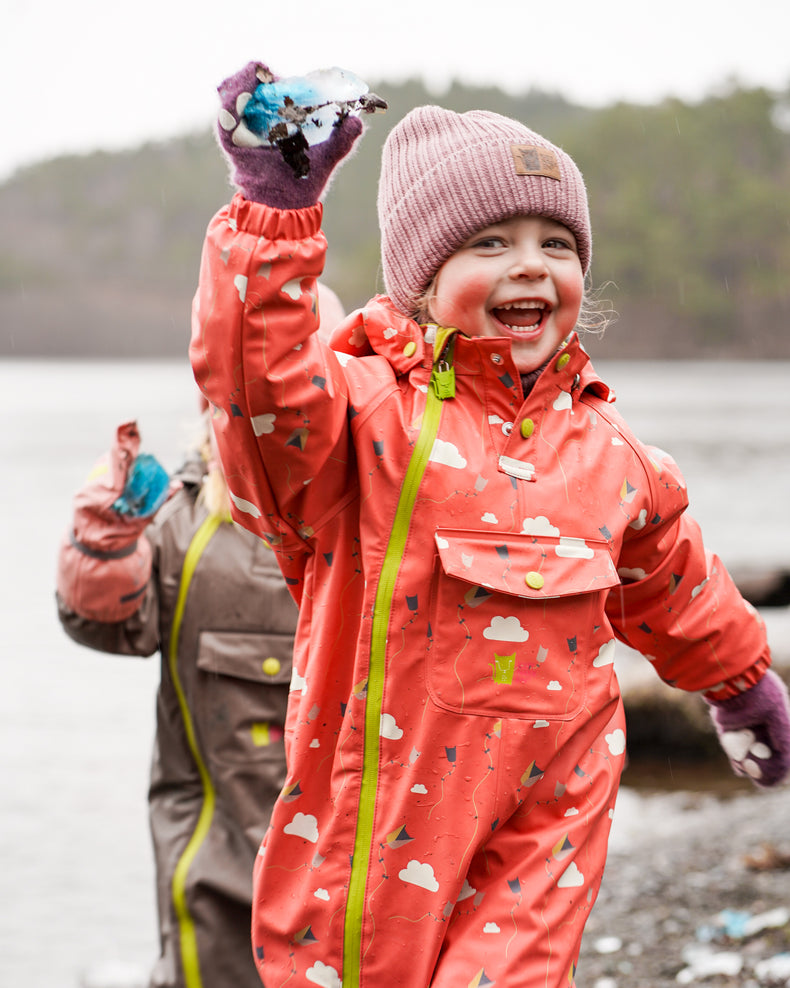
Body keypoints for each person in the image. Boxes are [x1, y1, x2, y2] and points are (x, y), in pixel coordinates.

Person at [189, 59, 790, 988]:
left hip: (553, 810)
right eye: (491, 243)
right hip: (380, 809)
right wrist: (275, 221)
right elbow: (255, 397)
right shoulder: (362, 418)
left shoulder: (608, 446)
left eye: (557, 243)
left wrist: (741, 679)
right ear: (423, 280)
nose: (531, 265)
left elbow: (674, 575)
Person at [56, 414, 299, 988]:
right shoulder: (182, 521)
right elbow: (104, 624)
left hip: (348, 862)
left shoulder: (373, 508)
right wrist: (102, 543)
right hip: (212, 864)